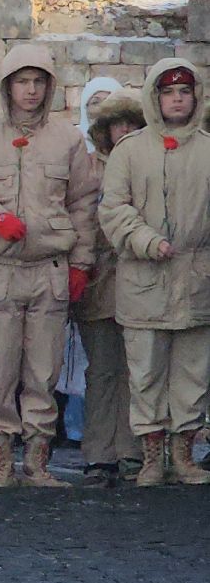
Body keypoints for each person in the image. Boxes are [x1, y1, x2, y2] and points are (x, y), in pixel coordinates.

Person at [0, 43, 100, 487]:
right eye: (22, 82)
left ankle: (37, 462)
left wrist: (80, 263)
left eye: (38, 82)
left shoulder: (68, 140)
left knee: (43, 369)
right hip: (0, 268)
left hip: (49, 268)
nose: (31, 91)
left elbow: (83, 205)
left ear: (50, 87)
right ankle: (0, 461)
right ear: (7, 87)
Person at [98, 60, 210, 487]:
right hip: (144, 281)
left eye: (184, 91)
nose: (177, 99)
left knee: (192, 375)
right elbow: (114, 210)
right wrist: (147, 240)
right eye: (168, 92)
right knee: (145, 373)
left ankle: (183, 455)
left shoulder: (206, 148)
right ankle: (149, 457)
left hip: (197, 280)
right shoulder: (130, 151)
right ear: (154, 98)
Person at [77, 89, 142, 487]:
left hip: (139, 280)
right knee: (101, 371)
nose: (123, 131)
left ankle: (133, 451)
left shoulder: (146, 162)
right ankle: (100, 454)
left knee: (138, 372)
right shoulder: (89, 167)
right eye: (116, 123)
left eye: (131, 124)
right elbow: (82, 218)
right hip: (100, 280)